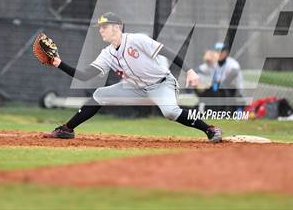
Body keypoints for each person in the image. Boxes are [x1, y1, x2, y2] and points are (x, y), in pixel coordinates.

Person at [43, 12, 223, 142]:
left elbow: (168, 52)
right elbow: (84, 75)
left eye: (104, 27)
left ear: (117, 27)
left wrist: (189, 70)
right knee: (99, 95)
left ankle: (210, 129)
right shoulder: (106, 53)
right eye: (100, 28)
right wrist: (58, 63)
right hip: (133, 88)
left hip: (161, 84)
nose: (101, 30)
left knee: (170, 112)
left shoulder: (137, 40)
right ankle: (67, 130)